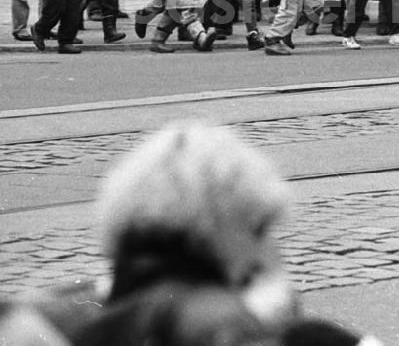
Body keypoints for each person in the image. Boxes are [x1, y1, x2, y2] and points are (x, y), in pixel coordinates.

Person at [73, 122, 299, 344]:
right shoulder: (223, 323)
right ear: (219, 223)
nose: (267, 250)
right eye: (258, 228)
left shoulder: (92, 314)